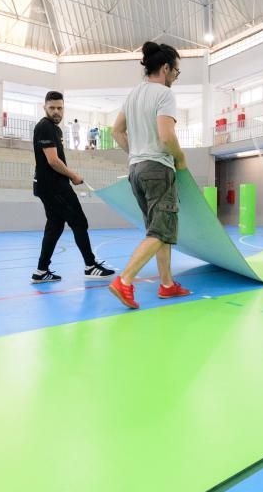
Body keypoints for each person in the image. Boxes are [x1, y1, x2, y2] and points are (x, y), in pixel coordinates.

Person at [109, 41, 190, 309]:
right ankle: (125, 280)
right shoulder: (164, 95)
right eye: (176, 72)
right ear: (166, 68)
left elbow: (116, 131)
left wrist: (136, 153)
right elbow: (167, 137)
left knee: (157, 229)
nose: (175, 79)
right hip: (157, 169)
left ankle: (167, 285)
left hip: (136, 170)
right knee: (161, 229)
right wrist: (180, 158)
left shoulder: (133, 95)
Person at [31, 90, 114, 283]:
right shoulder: (45, 127)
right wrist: (73, 175)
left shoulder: (55, 129)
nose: (56, 112)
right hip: (54, 186)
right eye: (52, 108)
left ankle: (41, 271)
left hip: (49, 186)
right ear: (45, 108)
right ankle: (90, 266)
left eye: (60, 108)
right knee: (78, 221)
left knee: (55, 226)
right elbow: (52, 161)